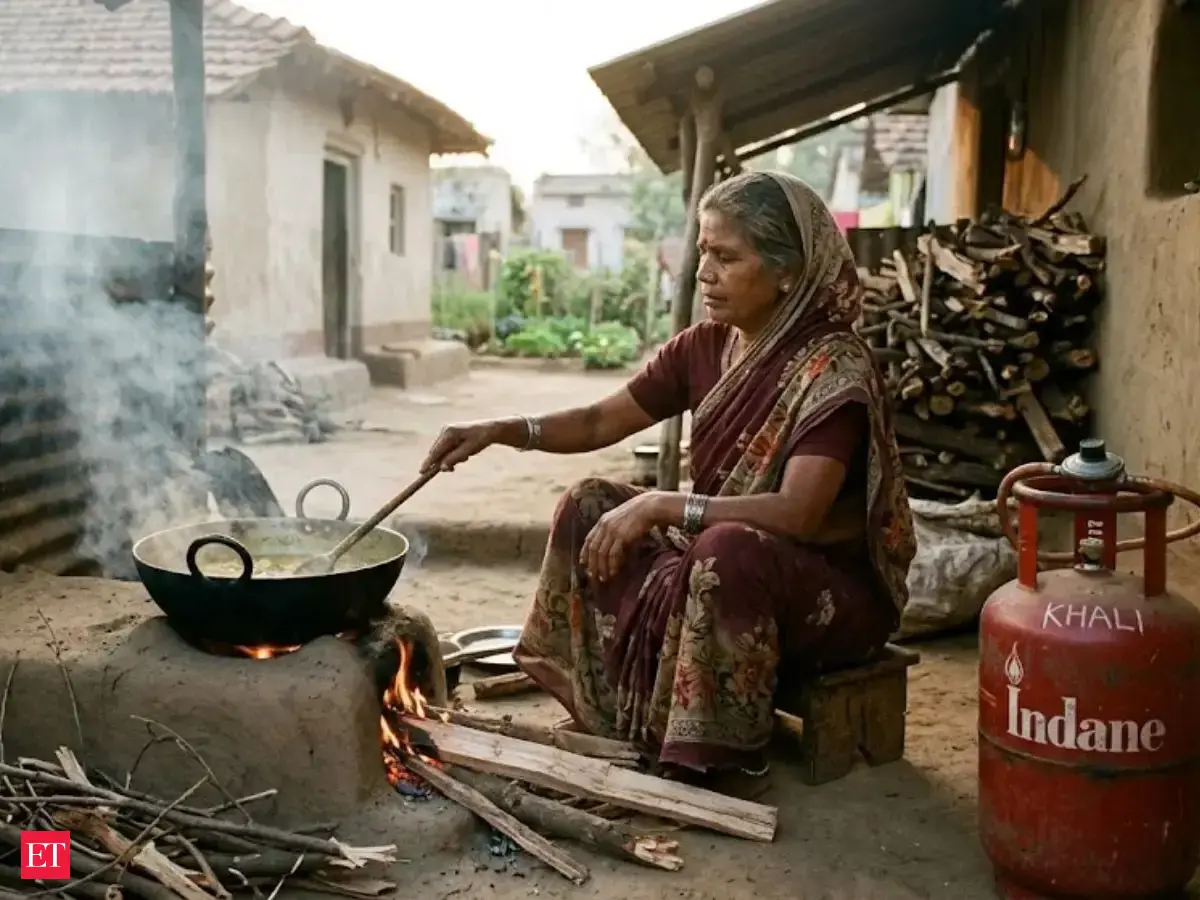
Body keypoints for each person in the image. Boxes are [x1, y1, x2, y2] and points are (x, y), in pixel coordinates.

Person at [420, 171, 916, 781]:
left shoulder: (831, 369)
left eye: (727, 257)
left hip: (827, 595)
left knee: (724, 551)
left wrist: (660, 504)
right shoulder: (705, 346)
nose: (704, 272)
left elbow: (797, 513)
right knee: (589, 503)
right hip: (727, 558)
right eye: (704, 251)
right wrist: (502, 428)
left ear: (789, 271)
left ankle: (712, 756)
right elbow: (600, 419)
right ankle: (604, 714)